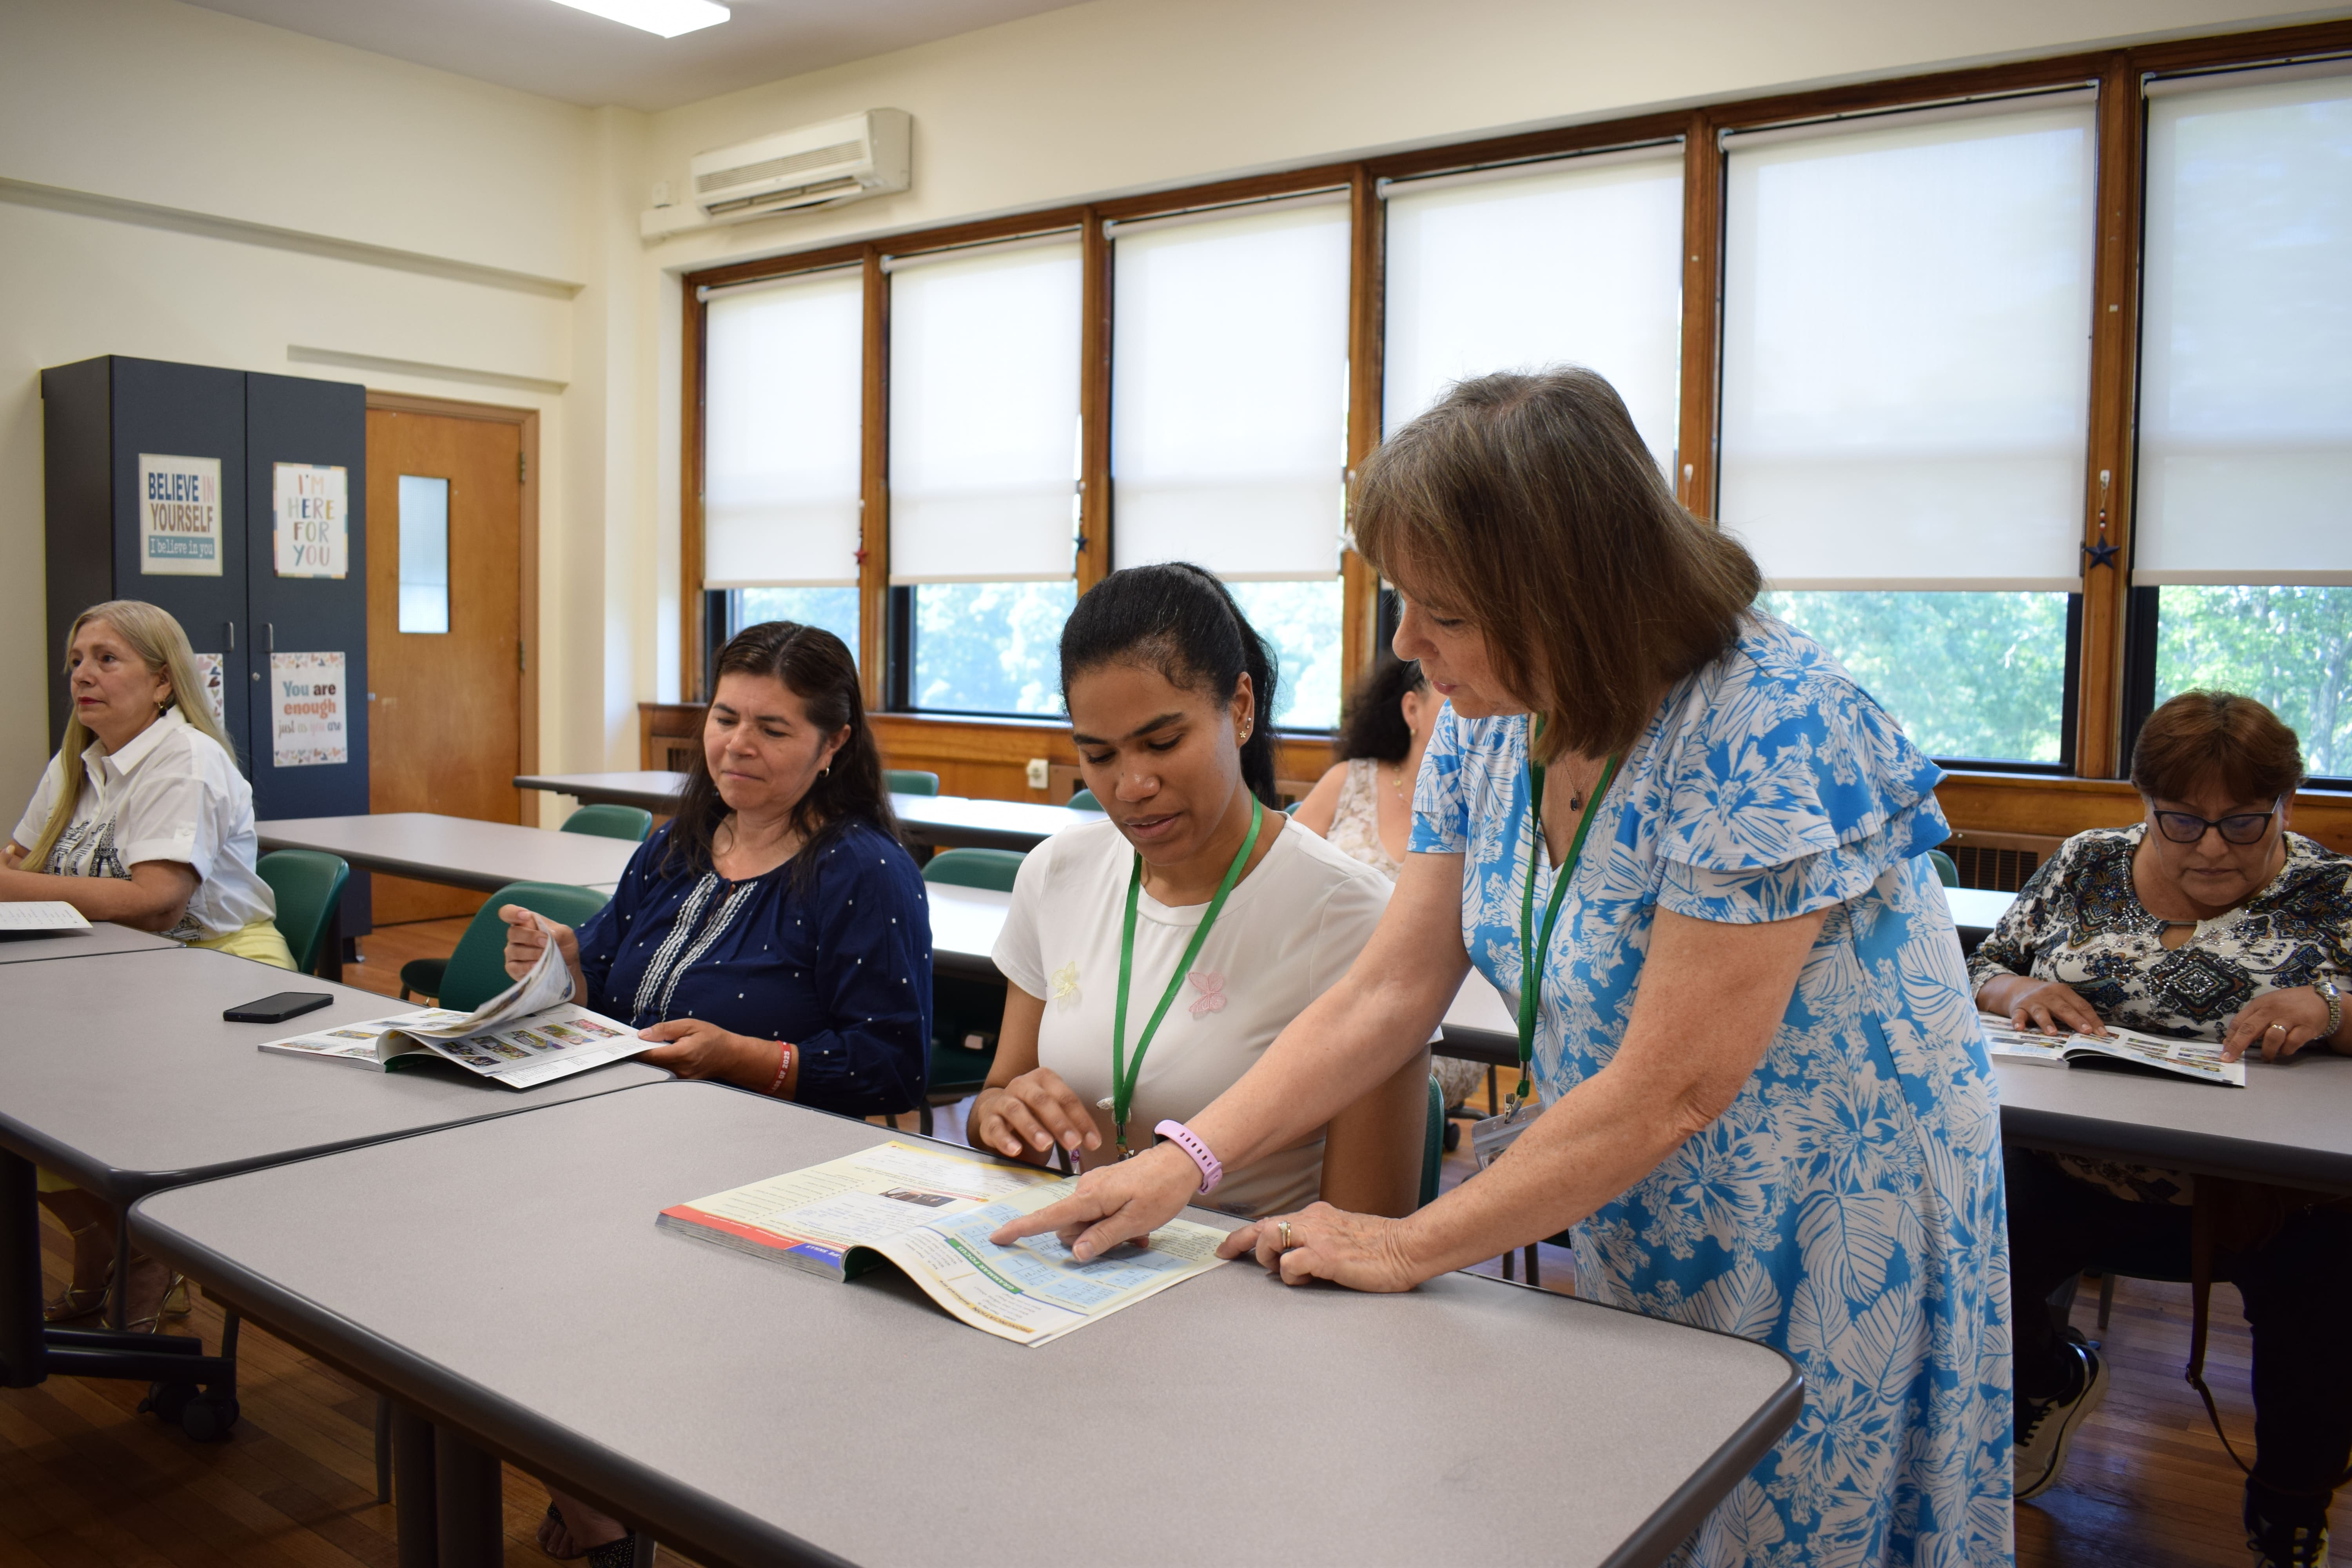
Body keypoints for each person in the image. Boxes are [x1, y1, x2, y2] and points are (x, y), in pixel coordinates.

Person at [996, 370, 2011, 1566]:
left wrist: (1413, 1240)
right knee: (1661, 1503)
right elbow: (1388, 989)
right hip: (1631, 1183)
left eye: (1445, 610)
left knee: (1792, 1529)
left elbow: (1676, 1085)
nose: (1404, 645)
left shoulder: (1769, 721)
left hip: (1829, 1212)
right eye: (1400, 600)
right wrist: (1186, 1160)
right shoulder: (1489, 718)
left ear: (1569, 593)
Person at [506, 621, 930, 1567]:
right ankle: (598, 1491)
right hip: (623, 1137)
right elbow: (608, 975)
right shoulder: (675, 847)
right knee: (508, 1282)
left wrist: (747, 1057)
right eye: (726, 717)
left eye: (774, 729)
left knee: (562, 1298)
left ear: (835, 745)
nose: (738, 745)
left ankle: (609, 1504)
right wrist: (559, 963)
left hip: (769, 1166)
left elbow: (895, 1063)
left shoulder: (862, 873)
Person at [1973, 690, 2351, 1567]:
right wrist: (2021, 992)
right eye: (2182, 821)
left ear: (2285, 805)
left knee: (2326, 1306)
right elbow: (1989, 963)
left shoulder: (2328, 891)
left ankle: (2289, 1505)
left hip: (2268, 1194)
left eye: (2243, 821)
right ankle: (2051, 1376)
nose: (2212, 845)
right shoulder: (2086, 863)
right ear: (2145, 802)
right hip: (2074, 1167)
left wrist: (2327, 1003)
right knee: (1970, 1231)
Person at [969, 562, 1427, 1220]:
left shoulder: (1348, 915)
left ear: (1240, 708)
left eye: (1162, 743)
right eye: (1099, 756)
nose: (1131, 786)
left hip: (1259, 1288)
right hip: (1086, 1265)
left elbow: (1365, 1225)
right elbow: (997, 1097)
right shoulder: (1056, 873)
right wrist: (1003, 1116)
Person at [6, 601, 289, 1336]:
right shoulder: (84, 760)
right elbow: (18, 862)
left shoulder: (185, 760)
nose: (83, 676)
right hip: (121, 968)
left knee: (42, 1092)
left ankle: (142, 1248)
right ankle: (104, 1236)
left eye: (108, 659)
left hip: (218, 969)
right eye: (76, 660)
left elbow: (159, 901)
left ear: (164, 683)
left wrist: (13, 886)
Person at [1293, 655, 1484, 1119]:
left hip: (1440, 1016)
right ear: (1412, 711)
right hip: (1322, 993)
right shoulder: (1349, 779)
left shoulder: (1488, 799)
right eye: (1449, 696)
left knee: (1353, 1074)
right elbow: (1278, 874)